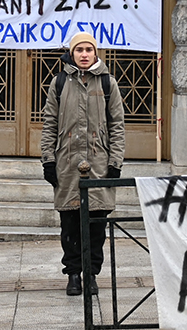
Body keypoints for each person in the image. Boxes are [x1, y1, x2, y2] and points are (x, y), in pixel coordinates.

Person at [40, 32, 125, 297]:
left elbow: (118, 126)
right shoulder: (60, 82)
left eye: (89, 49)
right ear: (72, 53)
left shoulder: (108, 83)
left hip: (98, 164)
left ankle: (91, 275)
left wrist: (115, 161)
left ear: (96, 53)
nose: (85, 54)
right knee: (70, 223)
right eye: (80, 50)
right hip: (67, 164)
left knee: (96, 224)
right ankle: (73, 274)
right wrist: (48, 160)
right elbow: (49, 123)